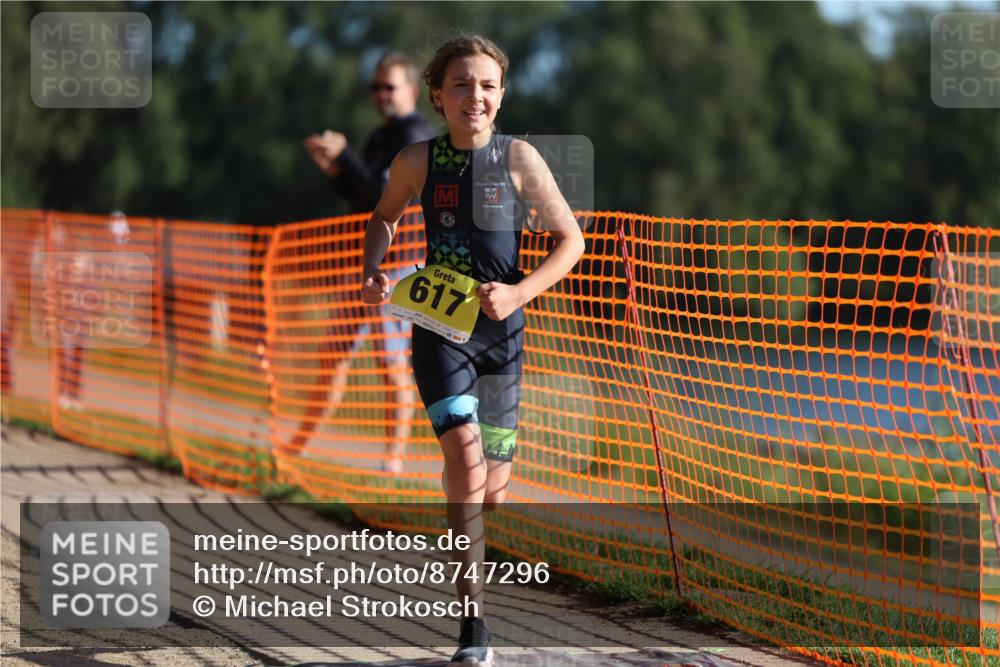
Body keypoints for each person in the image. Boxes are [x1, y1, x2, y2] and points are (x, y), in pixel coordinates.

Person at [360, 34, 585, 667]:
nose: (475, 96)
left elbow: (570, 242)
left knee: (495, 489)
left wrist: (520, 295)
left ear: (501, 95)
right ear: (437, 95)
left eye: (486, 85)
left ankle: (479, 505)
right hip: (440, 330)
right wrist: (374, 267)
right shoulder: (417, 160)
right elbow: (382, 217)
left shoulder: (520, 159)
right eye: (461, 84)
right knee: (463, 458)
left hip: (503, 337)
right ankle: (472, 626)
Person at [296, 53, 437, 473]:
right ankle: (299, 443)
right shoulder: (382, 137)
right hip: (370, 262)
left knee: (390, 361)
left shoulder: (415, 135)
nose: (380, 95)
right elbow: (365, 198)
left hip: (401, 265)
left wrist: (346, 159)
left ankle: (392, 459)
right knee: (333, 355)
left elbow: (388, 194)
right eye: (375, 87)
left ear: (411, 91)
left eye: (388, 87)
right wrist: (335, 168)